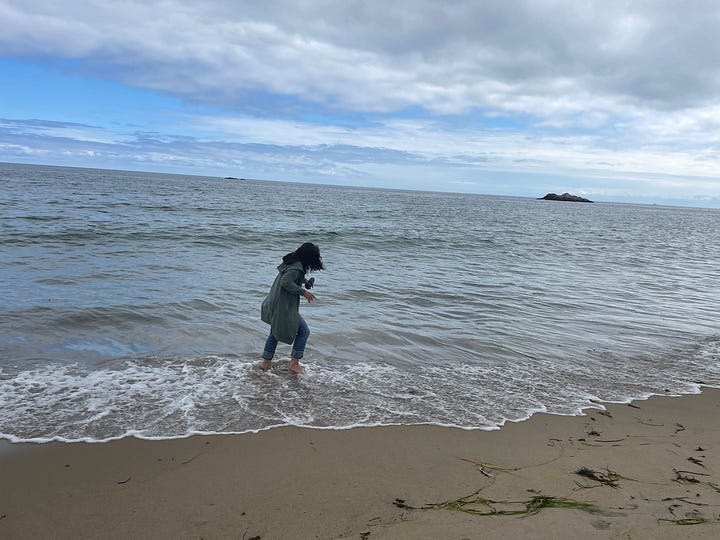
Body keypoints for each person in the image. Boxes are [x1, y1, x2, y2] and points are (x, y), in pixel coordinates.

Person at [259, 242, 324, 373]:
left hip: (274, 302)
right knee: (304, 331)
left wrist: (304, 281)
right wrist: (304, 292)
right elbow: (286, 282)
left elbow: (290, 275)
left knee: (275, 333)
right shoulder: (296, 268)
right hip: (283, 307)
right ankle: (294, 363)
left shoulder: (292, 263)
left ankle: (266, 363)